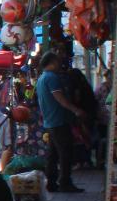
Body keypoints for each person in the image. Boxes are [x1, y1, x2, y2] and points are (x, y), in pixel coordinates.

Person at [36, 51, 88, 193]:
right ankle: (65, 182)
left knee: (53, 154)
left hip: (50, 121)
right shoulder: (52, 77)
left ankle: (51, 183)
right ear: (52, 62)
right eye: (58, 61)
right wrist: (76, 110)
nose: (60, 63)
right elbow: (60, 98)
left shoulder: (42, 78)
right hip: (58, 121)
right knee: (65, 152)